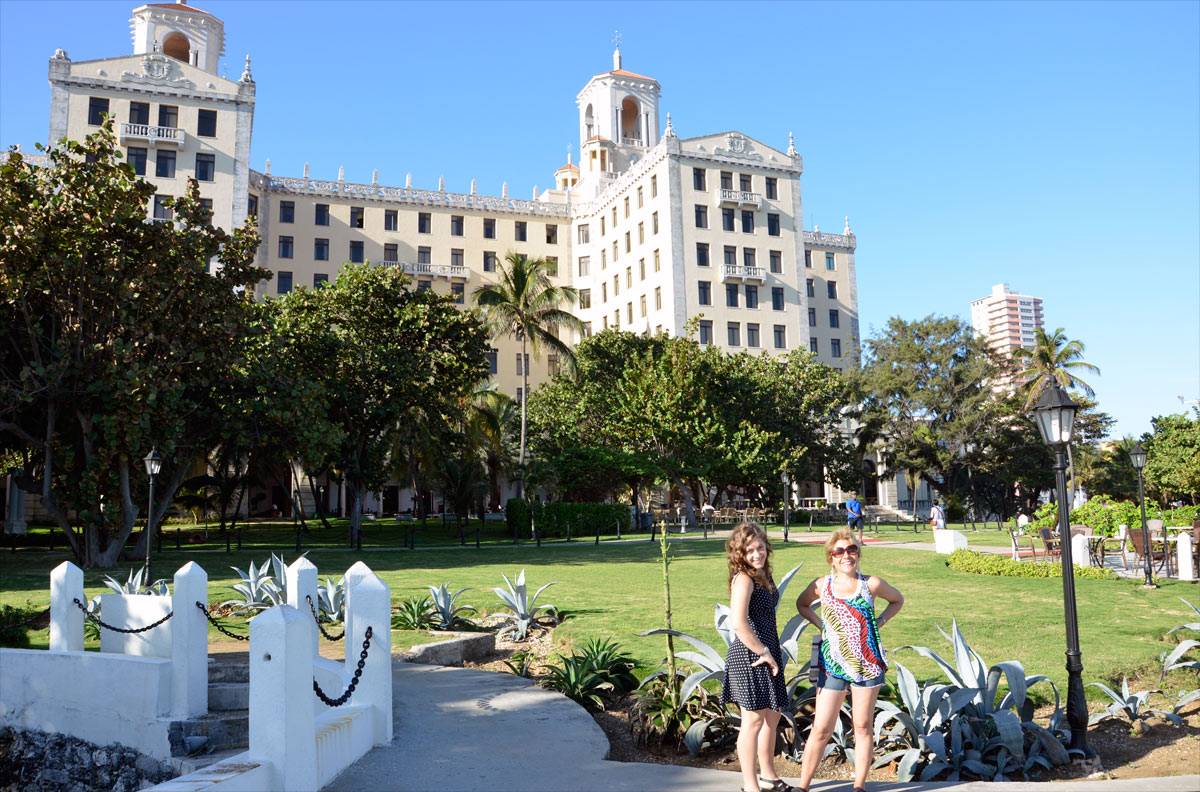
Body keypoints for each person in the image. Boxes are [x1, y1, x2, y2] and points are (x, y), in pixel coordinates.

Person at [793, 527, 904, 792]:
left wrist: (878, 623)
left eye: (851, 550)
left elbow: (897, 600)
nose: (846, 555)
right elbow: (802, 604)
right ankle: (803, 786)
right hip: (832, 664)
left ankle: (858, 786)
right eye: (839, 551)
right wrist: (822, 625)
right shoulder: (822, 585)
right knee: (821, 727)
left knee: (863, 725)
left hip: (867, 663)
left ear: (858, 554)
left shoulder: (871, 584)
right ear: (831, 557)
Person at [721, 523, 796, 792]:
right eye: (750, 550)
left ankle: (769, 776)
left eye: (761, 547)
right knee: (752, 721)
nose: (757, 554)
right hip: (750, 655)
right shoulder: (743, 578)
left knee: (772, 717)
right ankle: (750, 786)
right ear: (739, 553)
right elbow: (739, 624)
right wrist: (762, 652)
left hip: (769, 653)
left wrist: (770, 653)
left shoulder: (764, 573)